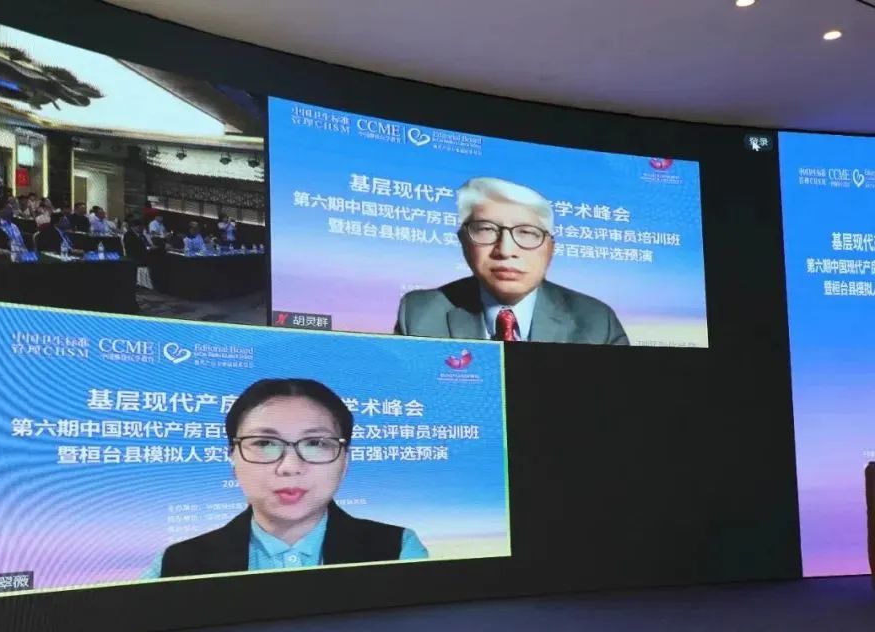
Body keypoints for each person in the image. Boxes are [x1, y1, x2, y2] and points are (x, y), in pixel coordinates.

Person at [147, 379, 428, 579]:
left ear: (345, 461)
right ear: (233, 457)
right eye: (265, 444)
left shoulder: (396, 549)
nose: (290, 467)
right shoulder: (177, 564)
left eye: (315, 444)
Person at [394, 177, 628, 345]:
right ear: (463, 242)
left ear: (550, 249)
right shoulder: (420, 313)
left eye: (526, 233)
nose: (506, 251)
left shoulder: (596, 322)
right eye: (486, 229)